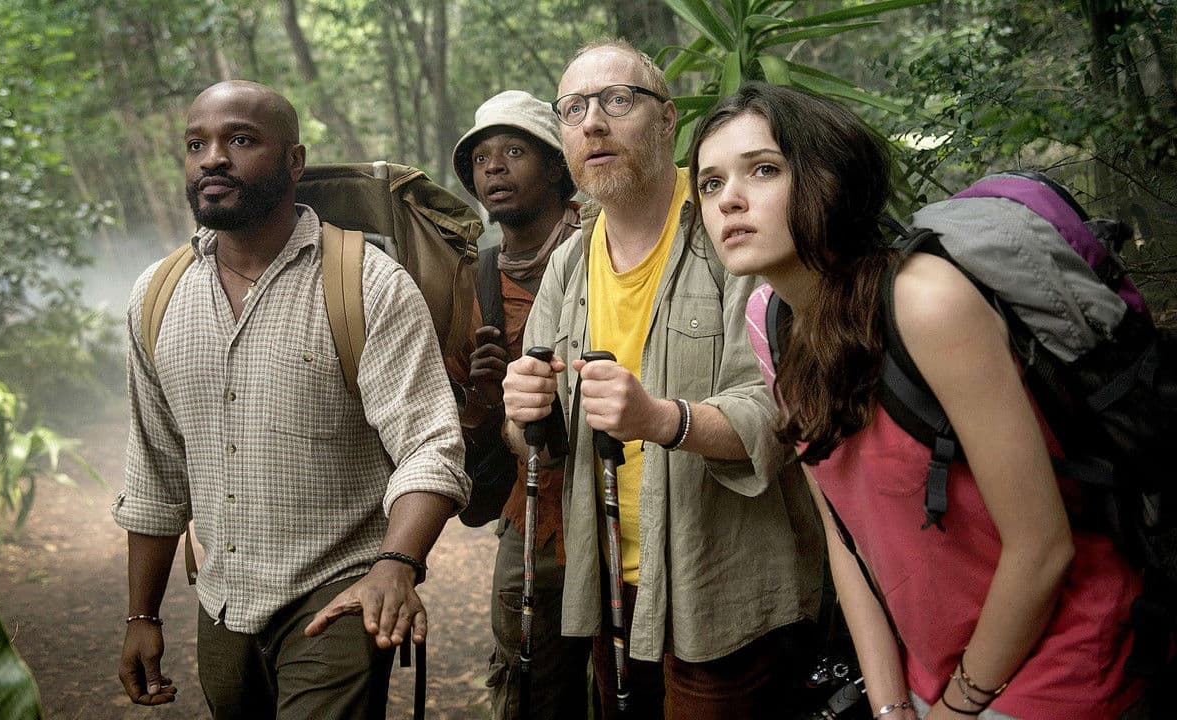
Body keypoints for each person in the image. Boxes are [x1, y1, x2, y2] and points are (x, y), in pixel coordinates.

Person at [692, 81, 1147, 719]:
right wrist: (888, 704)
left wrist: (957, 707)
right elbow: (844, 535)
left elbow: (1043, 547)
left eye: (764, 169)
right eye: (710, 184)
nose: (729, 200)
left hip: (1063, 664)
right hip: (927, 667)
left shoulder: (925, 300)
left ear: (828, 178)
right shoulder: (770, 322)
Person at [112, 80, 469, 719]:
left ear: (294, 161)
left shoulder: (367, 283)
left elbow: (429, 445)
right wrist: (142, 615)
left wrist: (396, 563)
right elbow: (155, 471)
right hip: (222, 603)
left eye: (240, 140)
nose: (212, 159)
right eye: (196, 145)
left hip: (338, 593)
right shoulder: (158, 295)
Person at [501, 41, 824, 719]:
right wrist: (524, 410)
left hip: (723, 593)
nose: (593, 122)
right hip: (610, 588)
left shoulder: (732, 230)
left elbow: (786, 411)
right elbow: (536, 441)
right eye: (574, 109)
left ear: (668, 119)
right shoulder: (568, 264)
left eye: (618, 101)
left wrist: (661, 419)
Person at [450, 90, 590, 720]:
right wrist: (485, 399)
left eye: (514, 151)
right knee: (529, 680)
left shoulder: (608, 250)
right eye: (481, 159)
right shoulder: (473, 280)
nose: (495, 168)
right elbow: (464, 430)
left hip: (624, 500)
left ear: (558, 165)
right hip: (532, 515)